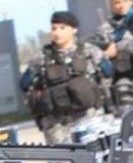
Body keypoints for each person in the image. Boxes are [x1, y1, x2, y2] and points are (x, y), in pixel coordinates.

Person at [21, 12, 110, 143]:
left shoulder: (90, 51)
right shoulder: (40, 59)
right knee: (63, 162)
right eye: (54, 28)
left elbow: (108, 73)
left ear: (74, 29)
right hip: (57, 124)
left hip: (88, 117)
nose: (57, 32)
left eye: (62, 28)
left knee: (94, 158)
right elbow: (25, 84)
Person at [99, 0, 133, 110]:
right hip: (123, 77)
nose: (121, 5)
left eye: (125, 1)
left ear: (131, 1)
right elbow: (106, 53)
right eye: (117, 2)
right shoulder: (107, 27)